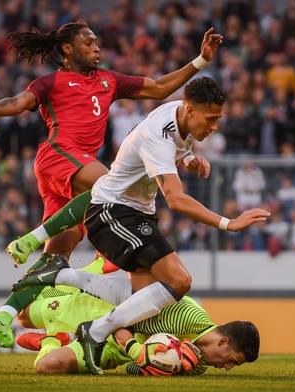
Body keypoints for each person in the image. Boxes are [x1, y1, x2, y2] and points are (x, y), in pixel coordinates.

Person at [0, 22, 224, 346]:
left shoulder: (108, 81)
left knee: (55, 258)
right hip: (59, 156)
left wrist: (200, 61)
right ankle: (30, 238)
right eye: (89, 43)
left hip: (73, 174)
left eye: (97, 42)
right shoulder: (51, 81)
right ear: (68, 49)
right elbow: (19, 102)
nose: (97, 48)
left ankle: (2, 317)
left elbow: (157, 88)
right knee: (111, 190)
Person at [13, 77, 270, 373]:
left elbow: (175, 143)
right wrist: (229, 223)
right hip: (113, 211)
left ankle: (59, 276)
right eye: (211, 119)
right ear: (189, 108)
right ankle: (93, 332)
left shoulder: (180, 121)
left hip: (136, 213)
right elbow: (175, 199)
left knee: (141, 293)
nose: (214, 127)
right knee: (180, 281)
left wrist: (187, 157)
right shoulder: (157, 136)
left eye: (218, 119)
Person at [0, 255, 259, 376]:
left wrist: (148, 364)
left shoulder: (196, 365)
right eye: (232, 361)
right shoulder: (186, 314)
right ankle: (69, 273)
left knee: (46, 367)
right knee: (26, 316)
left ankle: (51, 341)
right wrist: (136, 348)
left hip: (112, 349)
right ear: (223, 342)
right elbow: (126, 315)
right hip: (103, 314)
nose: (227, 368)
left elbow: (134, 368)